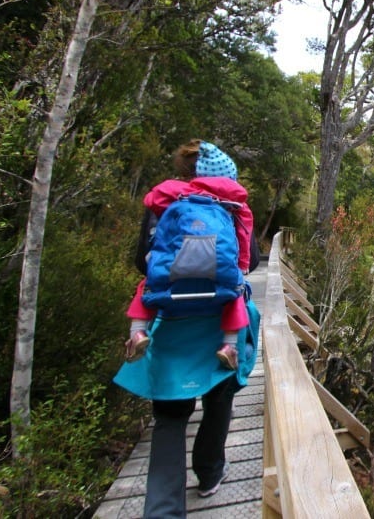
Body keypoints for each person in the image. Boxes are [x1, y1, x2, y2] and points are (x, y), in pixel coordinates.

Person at [113, 139, 260, 518]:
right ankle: (210, 474)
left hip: (172, 321)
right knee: (218, 400)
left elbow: (142, 264)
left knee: (170, 417)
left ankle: (162, 509)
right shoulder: (233, 206)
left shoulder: (165, 203)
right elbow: (251, 262)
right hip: (221, 320)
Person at [124, 140, 253, 370]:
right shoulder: (236, 205)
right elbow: (249, 259)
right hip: (220, 297)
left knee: (146, 287)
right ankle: (230, 346)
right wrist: (240, 267)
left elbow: (142, 259)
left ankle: (137, 332)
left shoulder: (172, 196)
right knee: (241, 300)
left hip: (170, 300)